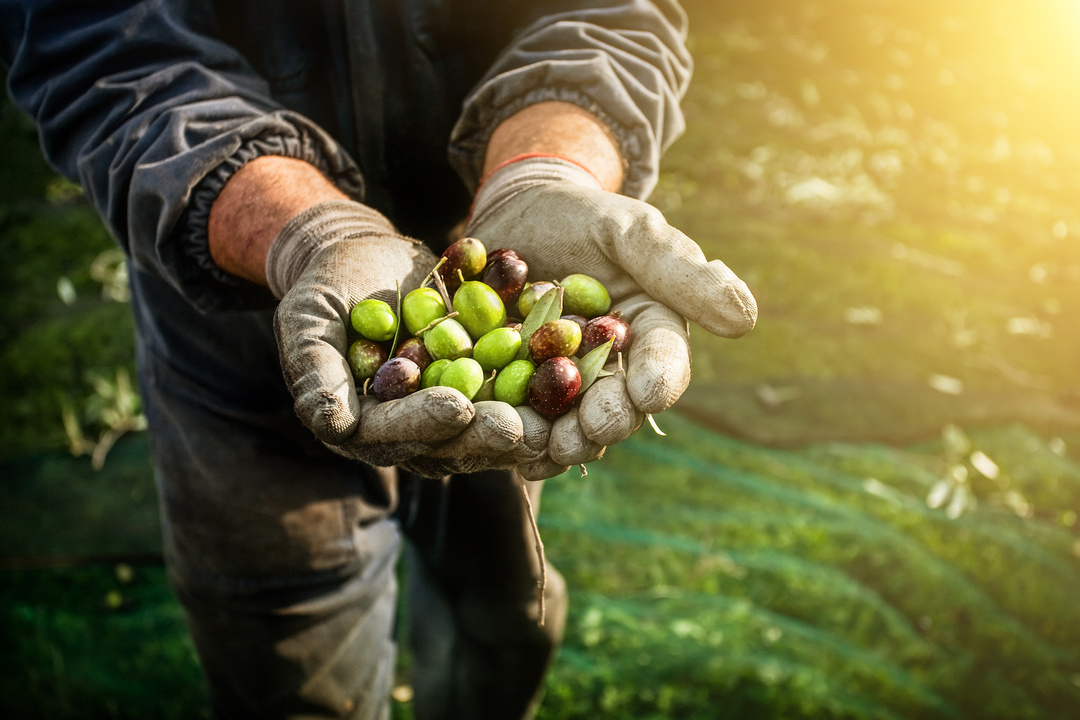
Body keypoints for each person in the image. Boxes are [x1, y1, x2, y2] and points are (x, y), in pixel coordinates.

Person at [1, 1, 756, 718]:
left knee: (502, 615)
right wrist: (310, 232)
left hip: (496, 261)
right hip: (234, 323)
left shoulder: (513, 332)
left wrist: (544, 170)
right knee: (292, 673)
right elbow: (106, 51)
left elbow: (605, 16)